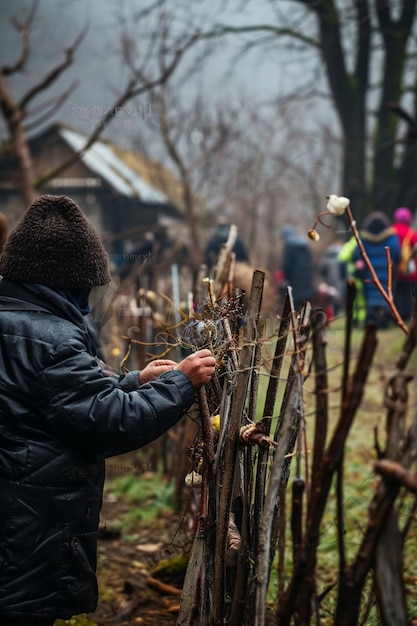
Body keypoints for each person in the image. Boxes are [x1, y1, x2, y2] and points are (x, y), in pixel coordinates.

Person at [0, 194, 216, 626]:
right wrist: (181, 381)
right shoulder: (52, 338)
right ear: (68, 281)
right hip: (28, 526)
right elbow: (108, 422)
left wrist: (134, 382)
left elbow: (53, 399)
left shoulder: (16, 321)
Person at [352, 211, 401, 328]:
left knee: (371, 295)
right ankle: (384, 319)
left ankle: (372, 319)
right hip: (386, 272)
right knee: (385, 294)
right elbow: (397, 252)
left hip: (370, 273)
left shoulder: (363, 237)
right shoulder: (391, 237)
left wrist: (359, 263)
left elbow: (356, 253)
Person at [391, 206, 417, 321]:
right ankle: (408, 314)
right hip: (408, 271)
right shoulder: (411, 233)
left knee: (396, 292)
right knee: (408, 293)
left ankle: (396, 315)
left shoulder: (391, 231)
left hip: (393, 269)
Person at [280, 224, 314, 310]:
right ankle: (306, 321)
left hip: (295, 280)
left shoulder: (289, 247)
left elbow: (287, 265)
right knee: (306, 305)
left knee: (296, 305)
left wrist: (286, 277)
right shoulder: (305, 245)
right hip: (306, 279)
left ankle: (297, 322)